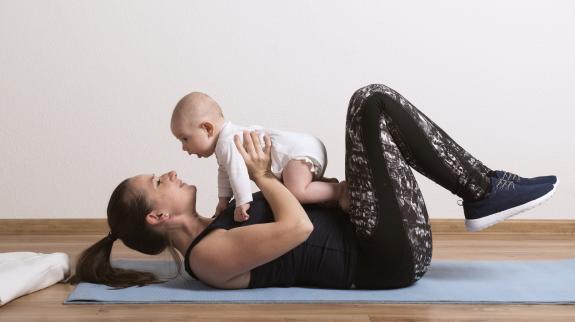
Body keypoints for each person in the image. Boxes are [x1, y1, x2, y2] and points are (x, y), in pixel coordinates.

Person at [70, 83, 557, 290]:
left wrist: (307, 178)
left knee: (374, 103)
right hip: (385, 258)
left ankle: (484, 188)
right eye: (159, 181)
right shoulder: (206, 257)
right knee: (368, 103)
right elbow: (298, 227)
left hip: (376, 232)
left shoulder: (223, 217)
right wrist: (262, 176)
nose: (171, 172)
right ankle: (482, 190)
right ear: (158, 217)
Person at [170, 92, 349, 223]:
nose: (184, 148)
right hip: (304, 149)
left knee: (295, 192)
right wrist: (223, 201)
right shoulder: (225, 143)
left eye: (185, 138)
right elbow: (225, 172)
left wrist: (242, 202)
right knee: (289, 189)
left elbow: (236, 172)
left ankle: (339, 190)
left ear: (207, 128)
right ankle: (325, 187)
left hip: (297, 153)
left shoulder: (227, 142)